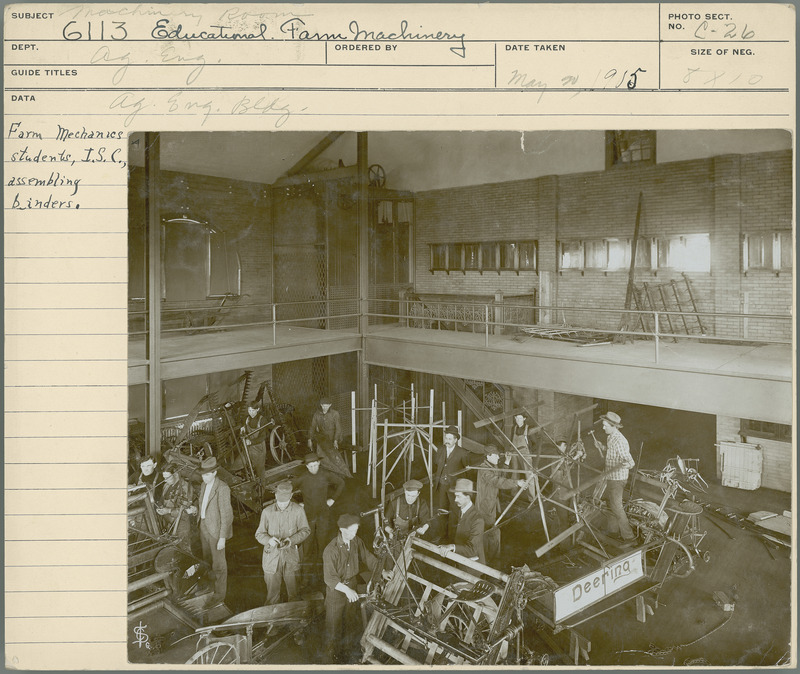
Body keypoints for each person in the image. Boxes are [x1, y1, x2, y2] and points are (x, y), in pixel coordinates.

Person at [322, 514, 390, 663]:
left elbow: (368, 557)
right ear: (342, 529)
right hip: (336, 592)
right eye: (351, 531)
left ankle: (347, 653)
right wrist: (346, 590)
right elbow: (330, 578)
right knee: (333, 627)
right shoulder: (331, 550)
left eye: (356, 530)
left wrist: (382, 571)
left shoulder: (356, 541)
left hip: (352, 585)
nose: (354, 534)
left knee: (350, 622)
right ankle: (330, 659)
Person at [255, 480, 311, 605]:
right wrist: (269, 540)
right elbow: (259, 534)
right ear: (275, 496)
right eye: (280, 502)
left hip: (291, 555)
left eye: (285, 502)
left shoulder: (298, 511)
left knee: (294, 592)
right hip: (272, 557)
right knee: (272, 595)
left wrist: (291, 540)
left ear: (291, 496)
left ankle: (294, 613)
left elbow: (305, 530)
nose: (282, 505)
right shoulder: (267, 512)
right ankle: (272, 614)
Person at [294, 453, 345, 582]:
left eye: (315, 465)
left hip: (323, 516)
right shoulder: (302, 478)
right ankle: (305, 579)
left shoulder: (325, 475)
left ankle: (323, 577)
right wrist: (298, 504)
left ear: (319, 463)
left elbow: (341, 483)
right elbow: (288, 491)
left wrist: (333, 499)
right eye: (310, 466)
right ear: (306, 466)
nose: (313, 468)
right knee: (307, 548)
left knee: (323, 546)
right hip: (308, 518)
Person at [475, 446, 527, 566]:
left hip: (492, 504)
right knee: (491, 533)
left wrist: (507, 462)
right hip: (485, 506)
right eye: (496, 455)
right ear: (488, 456)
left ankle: (490, 559)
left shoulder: (492, 466)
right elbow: (498, 481)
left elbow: (500, 476)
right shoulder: (484, 469)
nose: (498, 457)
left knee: (492, 532)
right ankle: (490, 562)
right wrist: (517, 483)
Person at [196, 457, 233, 607]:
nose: (204, 478)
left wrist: (222, 537)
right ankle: (209, 587)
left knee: (219, 565)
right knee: (206, 559)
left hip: (216, 530)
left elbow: (226, 515)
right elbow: (203, 505)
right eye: (202, 475)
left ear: (215, 473)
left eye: (207, 475)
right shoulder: (204, 485)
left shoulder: (222, 488)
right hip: (204, 526)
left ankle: (218, 596)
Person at [594, 412, 636, 544]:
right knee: (610, 503)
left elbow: (630, 462)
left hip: (618, 479)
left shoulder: (620, 441)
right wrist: (602, 447)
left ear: (613, 426)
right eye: (603, 425)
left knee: (617, 507)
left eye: (605, 425)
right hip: (610, 476)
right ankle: (613, 530)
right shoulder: (610, 437)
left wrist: (624, 465)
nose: (603, 428)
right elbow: (611, 452)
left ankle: (629, 537)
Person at [433, 425, 471, 540]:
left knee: (455, 512)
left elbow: (466, 471)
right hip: (442, 486)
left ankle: (453, 537)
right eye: (446, 438)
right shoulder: (440, 450)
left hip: (455, 488)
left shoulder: (462, 453)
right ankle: (442, 535)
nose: (447, 441)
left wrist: (462, 489)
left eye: (450, 439)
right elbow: (437, 464)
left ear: (455, 440)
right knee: (442, 510)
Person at [437, 479, 485, 564]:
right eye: (455, 496)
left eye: (458, 496)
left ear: (468, 496)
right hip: (460, 560)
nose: (455, 500)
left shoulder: (477, 520)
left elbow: (472, 550)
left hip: (472, 566)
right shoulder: (461, 511)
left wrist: (452, 546)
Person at [156, 463, 196, 552]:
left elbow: (185, 511)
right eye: (164, 477)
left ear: (176, 474)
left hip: (181, 525)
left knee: (184, 551)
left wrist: (168, 510)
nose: (165, 480)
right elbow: (162, 500)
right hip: (168, 524)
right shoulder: (166, 485)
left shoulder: (185, 487)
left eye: (168, 477)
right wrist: (160, 507)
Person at [308, 396, 351, 478]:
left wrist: (335, 440)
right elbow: (312, 427)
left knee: (333, 455)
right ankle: (330, 471)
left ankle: (343, 473)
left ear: (330, 405)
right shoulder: (317, 414)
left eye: (327, 406)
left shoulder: (335, 414)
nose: (325, 408)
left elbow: (338, 428)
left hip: (333, 437)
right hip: (323, 438)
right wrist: (309, 439)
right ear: (321, 405)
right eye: (323, 406)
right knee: (321, 454)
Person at [241, 401, 270, 482]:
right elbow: (244, 431)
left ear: (258, 409)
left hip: (259, 448)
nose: (251, 413)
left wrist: (251, 442)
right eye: (249, 410)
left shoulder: (262, 420)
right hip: (249, 448)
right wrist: (242, 430)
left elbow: (263, 436)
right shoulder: (247, 419)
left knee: (260, 469)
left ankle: (262, 487)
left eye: (253, 410)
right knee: (246, 465)